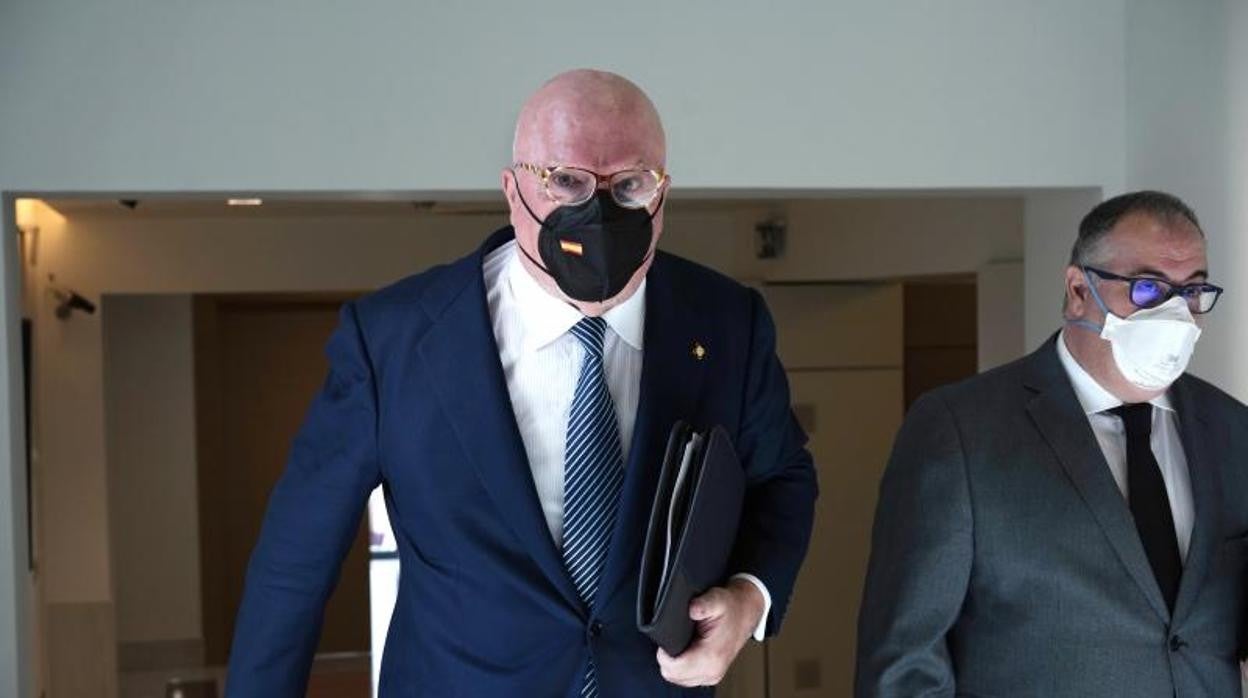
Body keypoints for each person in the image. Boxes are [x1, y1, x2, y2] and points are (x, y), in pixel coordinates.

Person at [225, 69, 818, 697]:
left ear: (662, 192)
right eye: (566, 180)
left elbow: (782, 477)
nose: (600, 213)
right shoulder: (392, 343)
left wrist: (750, 597)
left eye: (630, 184)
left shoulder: (726, 323)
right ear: (513, 192)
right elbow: (294, 564)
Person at [855, 190, 1248, 697]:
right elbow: (904, 666)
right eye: (1148, 288)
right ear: (1079, 290)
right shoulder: (961, 430)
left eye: (1192, 291)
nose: (1177, 316)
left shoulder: (1231, 430)